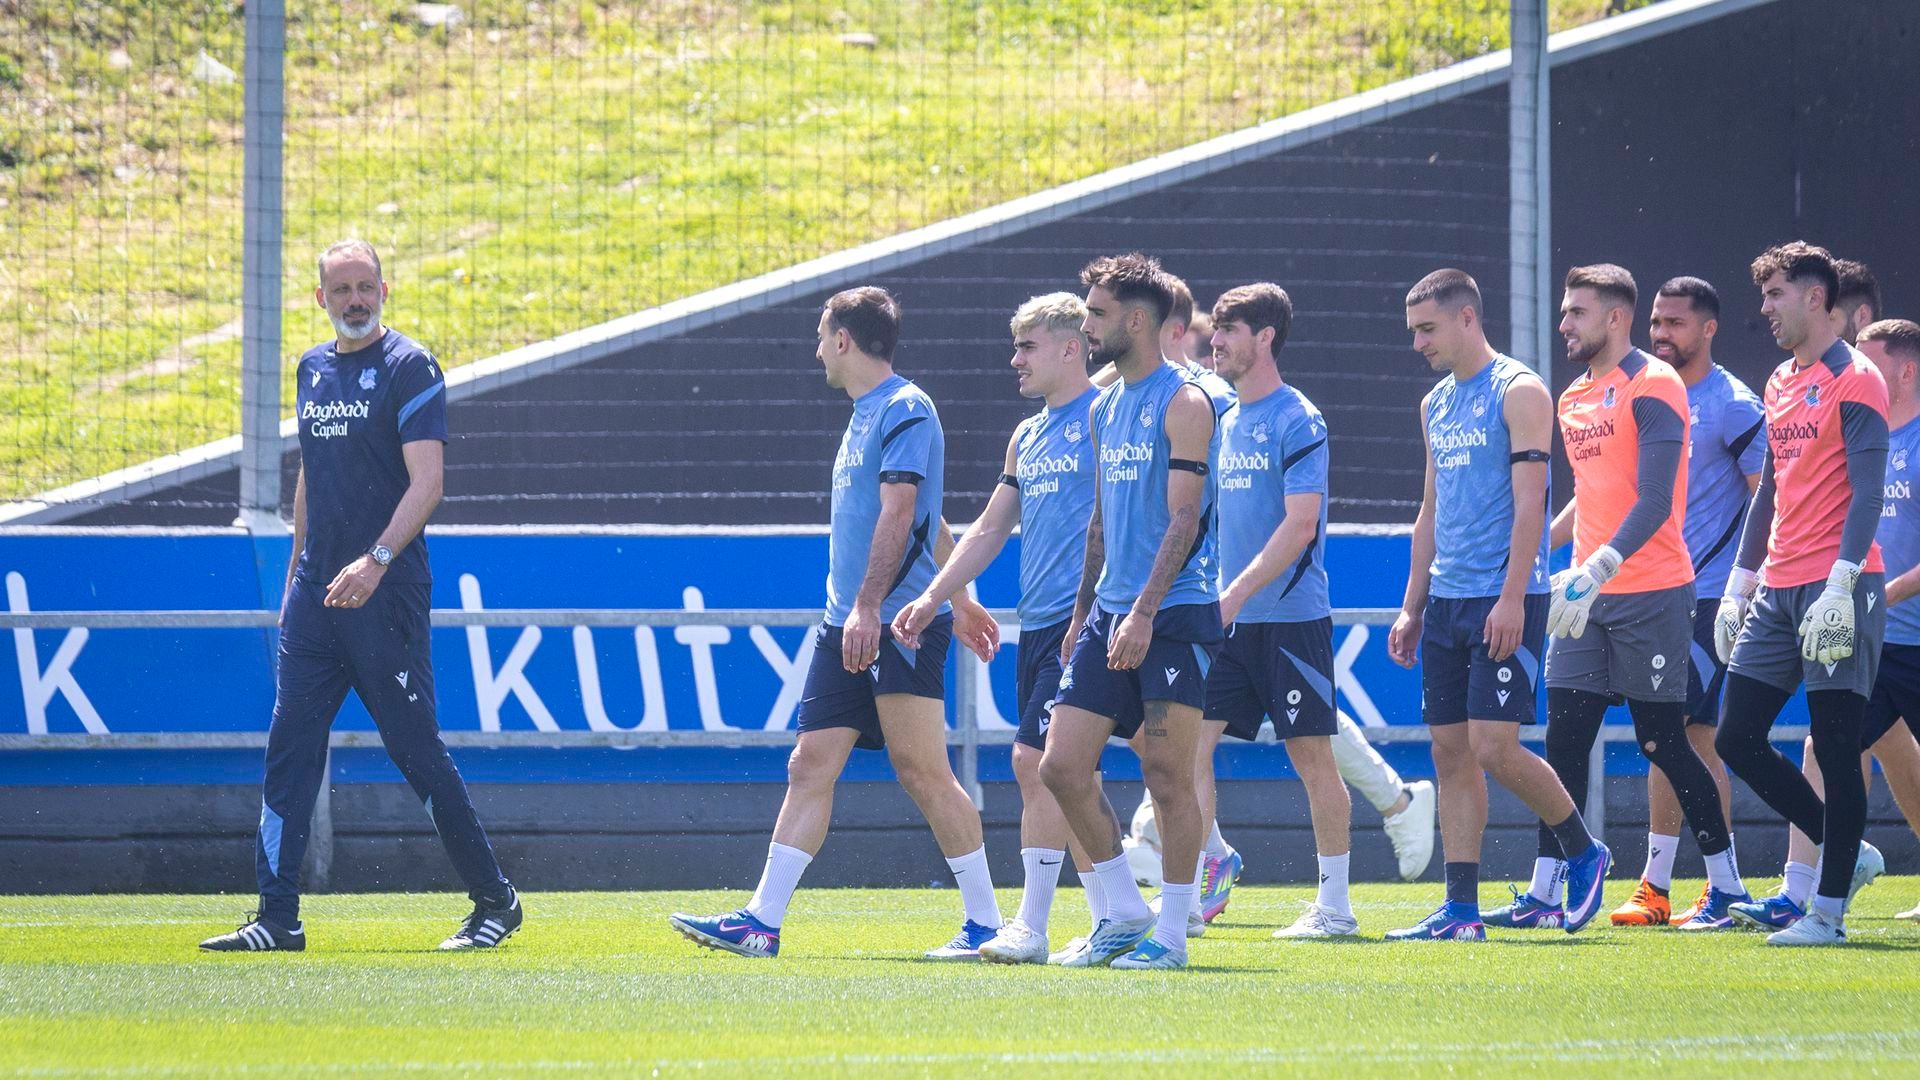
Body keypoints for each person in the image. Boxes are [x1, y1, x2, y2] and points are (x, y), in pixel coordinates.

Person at [201, 240, 521, 953]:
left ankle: (495, 901)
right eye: (341, 288)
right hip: (318, 600)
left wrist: (374, 561)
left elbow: (427, 484)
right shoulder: (311, 370)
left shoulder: (410, 366)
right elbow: (313, 476)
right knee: (288, 751)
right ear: (321, 298)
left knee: (415, 751)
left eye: (365, 286)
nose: (354, 298)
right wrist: (295, 583)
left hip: (386, 595)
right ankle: (277, 917)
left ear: (385, 290)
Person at [669, 287, 1002, 959]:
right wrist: (962, 597)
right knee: (809, 763)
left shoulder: (907, 408)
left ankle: (989, 924)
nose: (818, 350)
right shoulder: (864, 415)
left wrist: (877, 607)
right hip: (847, 619)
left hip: (893, 621)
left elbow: (903, 512)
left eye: (823, 338)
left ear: (844, 340)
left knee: (922, 770)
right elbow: (931, 520)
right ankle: (762, 921)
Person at [1493, 264, 1744, 934]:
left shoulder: (1654, 382)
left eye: (1576, 311)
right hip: (1584, 596)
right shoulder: (1574, 395)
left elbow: (1658, 500)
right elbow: (1596, 493)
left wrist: (1600, 565)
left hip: (1654, 593)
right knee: (1565, 739)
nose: (1564, 323)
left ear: (1615, 317)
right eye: (1564, 310)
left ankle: (1726, 887)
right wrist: (1550, 547)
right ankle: (1548, 890)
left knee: (1663, 742)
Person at [891, 291, 1114, 965]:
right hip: (1040, 622)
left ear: (1071, 348)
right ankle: (1117, 915)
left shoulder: (1105, 418)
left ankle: (1035, 925)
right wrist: (936, 595)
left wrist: (1096, 608)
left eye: (1028, 347)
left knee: (1037, 763)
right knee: (1067, 770)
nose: (1014, 360)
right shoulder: (1029, 434)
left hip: (1091, 615)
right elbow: (991, 525)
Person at [1386, 268, 1606, 941]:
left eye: (1427, 328)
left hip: (1506, 598)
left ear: (1466, 319)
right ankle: (1460, 912)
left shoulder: (1521, 391)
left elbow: (1532, 504)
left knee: (1493, 747)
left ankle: (1584, 851)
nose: (1418, 342)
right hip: (1447, 599)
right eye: (1413, 330)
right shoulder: (1434, 404)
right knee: (1450, 753)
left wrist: (1513, 597)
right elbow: (1429, 509)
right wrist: (1410, 605)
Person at [1037, 253, 1221, 969]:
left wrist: (1143, 612)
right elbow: (1102, 524)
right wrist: (1085, 613)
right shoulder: (1105, 406)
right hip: (1110, 613)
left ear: (1137, 320)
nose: (1086, 325)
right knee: (1060, 766)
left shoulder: (1186, 402)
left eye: (1096, 313)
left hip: (1173, 615)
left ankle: (1172, 936)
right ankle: (1121, 910)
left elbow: (1186, 519)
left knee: (1169, 778)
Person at [1715, 243, 1888, 946]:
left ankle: (1828, 915)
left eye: (1775, 295)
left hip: (1840, 585)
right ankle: (1846, 845)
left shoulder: (1858, 377)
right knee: (1736, 737)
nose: (1764, 310)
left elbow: (1870, 491)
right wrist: (1739, 580)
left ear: (1815, 298)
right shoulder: (1781, 380)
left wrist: (1844, 582)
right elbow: (1775, 492)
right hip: (1779, 586)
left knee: (1837, 748)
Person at [1601, 276, 1765, 927]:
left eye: (1675, 323)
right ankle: (1672, 886)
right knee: (1670, 741)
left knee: (1687, 740)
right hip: (1651, 597)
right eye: (1657, 322)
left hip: (1707, 600)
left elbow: (1769, 499)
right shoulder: (1646, 394)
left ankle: (1691, 886)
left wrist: (1746, 588)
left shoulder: (1734, 405)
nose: (1661, 333)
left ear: (1709, 329)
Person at [1203, 282, 1358, 938]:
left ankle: (1335, 907)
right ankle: (1208, 870)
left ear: (1263, 338)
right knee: (1180, 749)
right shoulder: (1224, 420)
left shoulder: (1299, 418)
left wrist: (1235, 593)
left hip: (1290, 619)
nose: (1214, 342)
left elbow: (1300, 526)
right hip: (1228, 622)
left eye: (1227, 331)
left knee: (1311, 759)